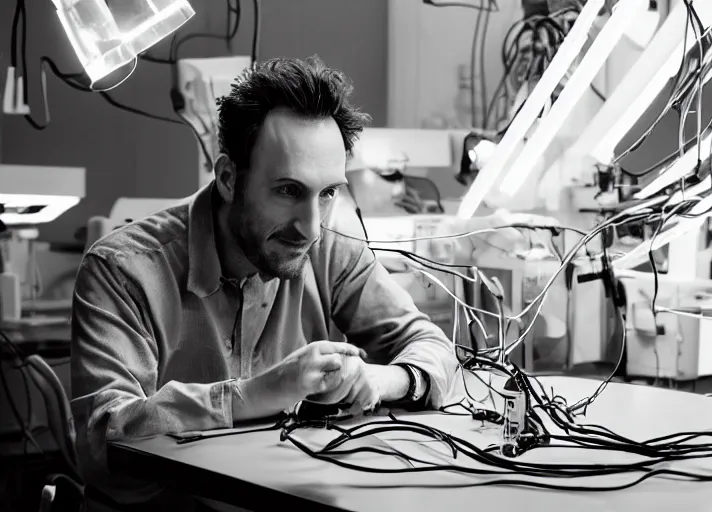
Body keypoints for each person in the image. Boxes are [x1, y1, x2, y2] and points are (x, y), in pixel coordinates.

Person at [70, 56, 459, 512]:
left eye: (328, 193)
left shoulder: (329, 248)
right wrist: (255, 394)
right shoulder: (122, 270)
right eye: (289, 191)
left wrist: (381, 380)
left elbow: (429, 344)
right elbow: (105, 435)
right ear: (229, 177)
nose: (311, 227)